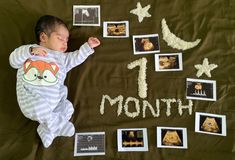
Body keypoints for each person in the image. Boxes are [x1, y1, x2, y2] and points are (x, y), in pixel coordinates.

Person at [9, 15, 100, 148]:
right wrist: (30, 51)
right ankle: (56, 125)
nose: (65, 43)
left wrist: (88, 47)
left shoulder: (62, 58)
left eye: (67, 40)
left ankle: (47, 130)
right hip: (31, 99)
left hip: (54, 103)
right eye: (60, 38)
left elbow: (76, 57)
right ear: (43, 37)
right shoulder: (30, 51)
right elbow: (13, 61)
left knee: (68, 108)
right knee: (39, 107)